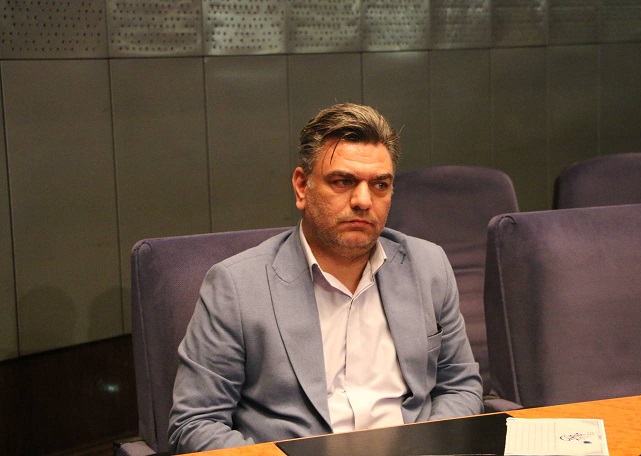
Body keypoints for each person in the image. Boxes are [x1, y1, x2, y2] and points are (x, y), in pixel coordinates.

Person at [168, 103, 483, 453]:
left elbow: (459, 386)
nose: (363, 200)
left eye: (380, 184)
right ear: (302, 187)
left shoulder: (428, 266)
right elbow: (195, 424)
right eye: (343, 181)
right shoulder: (237, 286)